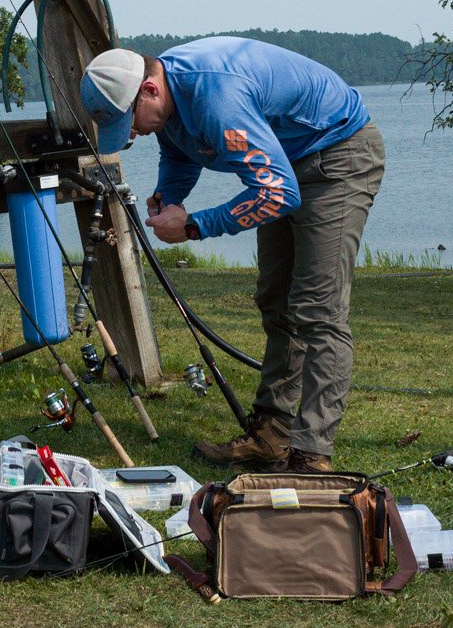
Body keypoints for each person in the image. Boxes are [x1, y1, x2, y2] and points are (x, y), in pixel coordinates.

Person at [78, 38, 384, 473]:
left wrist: (194, 226)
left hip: (337, 156)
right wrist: (170, 198)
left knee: (318, 309)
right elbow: (180, 152)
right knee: (275, 301)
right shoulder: (169, 103)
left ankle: (312, 456)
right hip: (288, 161)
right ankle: (272, 436)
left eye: (129, 122)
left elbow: (277, 193)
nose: (132, 134)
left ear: (149, 89)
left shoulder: (216, 98)